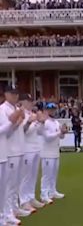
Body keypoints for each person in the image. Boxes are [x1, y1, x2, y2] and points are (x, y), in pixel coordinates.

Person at [0, 85, 32, 226]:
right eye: (12, 94)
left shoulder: (14, 109)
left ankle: (13, 209)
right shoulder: (3, 109)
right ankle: (6, 213)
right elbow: (6, 131)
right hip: (10, 151)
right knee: (8, 185)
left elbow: (17, 129)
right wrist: (16, 121)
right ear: (6, 94)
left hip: (18, 149)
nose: (15, 96)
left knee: (14, 184)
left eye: (17, 94)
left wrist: (19, 121)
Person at [19, 94, 46, 212]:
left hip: (36, 148)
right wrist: (29, 122)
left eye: (31, 101)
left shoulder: (32, 114)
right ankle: (23, 201)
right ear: (23, 102)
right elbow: (22, 132)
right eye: (28, 101)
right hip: (26, 149)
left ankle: (30, 197)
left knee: (33, 175)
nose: (31, 103)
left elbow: (39, 132)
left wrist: (42, 122)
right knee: (26, 176)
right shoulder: (21, 114)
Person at [40, 103, 67, 204]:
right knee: (46, 174)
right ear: (46, 110)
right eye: (50, 109)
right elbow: (47, 137)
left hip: (55, 152)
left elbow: (61, 137)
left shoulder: (56, 122)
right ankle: (44, 194)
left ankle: (52, 191)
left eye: (54, 109)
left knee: (54, 173)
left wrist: (63, 132)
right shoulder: (45, 122)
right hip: (47, 153)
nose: (52, 111)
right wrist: (59, 133)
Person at [0, 92, 20, 226]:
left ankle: (3, 216)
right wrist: (12, 122)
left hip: (3, 154)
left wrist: (15, 123)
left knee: (4, 188)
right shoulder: (3, 110)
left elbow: (7, 132)